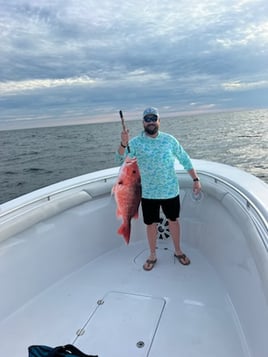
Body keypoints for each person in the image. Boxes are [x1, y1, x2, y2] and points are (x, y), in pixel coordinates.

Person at [116, 107, 202, 271]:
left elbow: (184, 158)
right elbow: (119, 158)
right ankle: (152, 255)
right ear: (143, 123)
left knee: (174, 221)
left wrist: (195, 179)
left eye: (153, 118)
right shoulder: (135, 143)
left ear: (159, 121)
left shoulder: (169, 140)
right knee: (151, 224)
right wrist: (123, 143)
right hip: (148, 193)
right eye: (147, 119)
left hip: (170, 190)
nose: (150, 122)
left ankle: (178, 251)